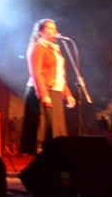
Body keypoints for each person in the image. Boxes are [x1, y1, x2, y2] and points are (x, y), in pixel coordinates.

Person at [20, 18, 76, 155]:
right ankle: (41, 156)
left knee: (57, 129)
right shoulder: (37, 47)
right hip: (42, 90)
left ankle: (55, 158)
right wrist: (44, 95)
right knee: (45, 128)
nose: (54, 31)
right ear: (40, 32)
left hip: (55, 91)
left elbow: (60, 74)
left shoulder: (55, 49)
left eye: (54, 28)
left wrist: (68, 94)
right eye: (50, 28)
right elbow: (36, 72)